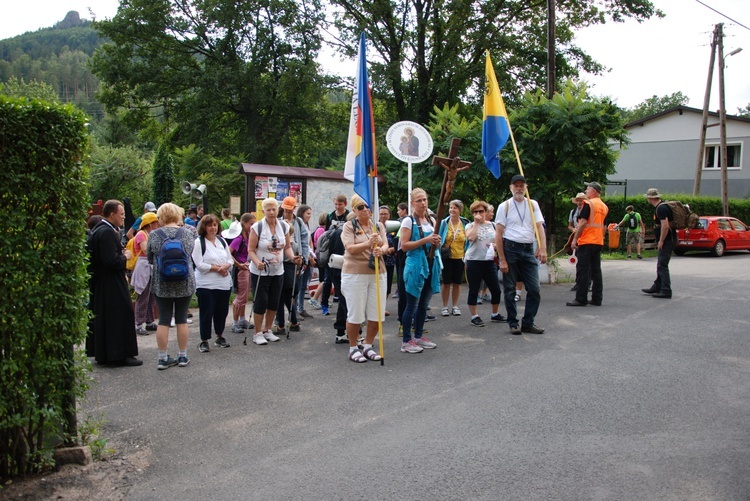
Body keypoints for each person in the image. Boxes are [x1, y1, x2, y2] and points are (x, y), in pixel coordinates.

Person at [86, 199, 143, 367]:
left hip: (103, 283)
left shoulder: (100, 230)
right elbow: (110, 261)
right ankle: (119, 354)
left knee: (107, 317)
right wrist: (124, 257)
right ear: (112, 214)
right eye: (122, 214)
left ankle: (107, 353)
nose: (123, 218)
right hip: (111, 283)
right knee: (118, 315)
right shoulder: (107, 232)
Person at [495, 175, 547, 335]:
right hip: (510, 248)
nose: (519, 188)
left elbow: (539, 227)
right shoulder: (504, 206)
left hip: (528, 249)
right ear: (511, 188)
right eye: (516, 185)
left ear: (526, 187)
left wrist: (543, 248)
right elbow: (498, 233)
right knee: (510, 289)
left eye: (521, 185)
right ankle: (513, 322)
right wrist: (502, 259)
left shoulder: (533, 204)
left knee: (534, 289)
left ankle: (528, 322)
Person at [340, 195, 388, 362]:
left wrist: (381, 250)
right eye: (360, 207)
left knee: (377, 313)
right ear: (354, 210)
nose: (365, 210)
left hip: (378, 272)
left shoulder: (378, 225)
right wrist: (368, 244)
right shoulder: (348, 226)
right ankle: (353, 347)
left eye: (367, 206)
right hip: (355, 273)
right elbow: (350, 248)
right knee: (356, 314)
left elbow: (386, 244)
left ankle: (368, 345)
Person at [148, 203, 196, 369]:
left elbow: (150, 258)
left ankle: (162, 358)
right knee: (182, 318)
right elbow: (189, 254)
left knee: (164, 319)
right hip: (184, 281)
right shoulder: (187, 233)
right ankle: (182, 356)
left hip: (162, 282)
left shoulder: (154, 235)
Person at [247, 197, 295, 345]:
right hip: (260, 272)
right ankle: (257, 333)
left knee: (274, 301)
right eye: (268, 210)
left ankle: (268, 330)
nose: (272, 212)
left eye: (274, 209)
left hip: (278, 270)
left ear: (277, 209)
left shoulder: (284, 227)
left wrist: (293, 258)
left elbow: (287, 247)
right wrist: (257, 262)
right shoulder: (257, 227)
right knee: (261, 301)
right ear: (263, 211)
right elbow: (251, 250)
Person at [400, 188, 441, 353]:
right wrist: (426, 239)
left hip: (431, 264)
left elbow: (435, 242)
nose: (423, 203)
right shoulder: (408, 221)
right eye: (419, 200)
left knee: (424, 304)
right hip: (416, 265)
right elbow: (404, 246)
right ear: (412, 203)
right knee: (412, 305)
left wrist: (436, 242)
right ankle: (406, 341)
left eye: (424, 199)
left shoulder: (431, 220)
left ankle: (418, 336)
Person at [192, 214, 234, 351]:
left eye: (215, 225)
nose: (213, 228)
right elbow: (199, 264)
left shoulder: (222, 241)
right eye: (210, 225)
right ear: (204, 227)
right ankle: (204, 340)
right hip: (206, 285)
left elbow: (230, 260)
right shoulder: (199, 242)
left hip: (223, 284)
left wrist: (226, 267)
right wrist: (217, 268)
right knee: (206, 312)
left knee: (221, 311)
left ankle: (219, 335)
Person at [567, 181, 609, 307]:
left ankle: (581, 298)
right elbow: (604, 226)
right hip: (598, 241)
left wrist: (575, 239)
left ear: (594, 191)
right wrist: (601, 237)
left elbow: (583, 222)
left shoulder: (588, 203)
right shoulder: (604, 206)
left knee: (583, 270)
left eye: (588, 189)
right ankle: (597, 298)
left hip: (586, 240)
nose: (586, 191)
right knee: (596, 270)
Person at [464, 200, 504, 326]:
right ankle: (474, 316)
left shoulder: (492, 225)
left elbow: (499, 241)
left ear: (486, 212)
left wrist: (494, 246)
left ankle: (495, 314)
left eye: (481, 211)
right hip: (473, 261)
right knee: (474, 289)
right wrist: (476, 223)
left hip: (489, 261)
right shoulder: (470, 225)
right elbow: (470, 238)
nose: (478, 214)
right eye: (475, 212)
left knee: (496, 289)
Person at [275, 197, 306, 334]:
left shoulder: (298, 223)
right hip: (292, 267)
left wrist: (302, 260)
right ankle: (293, 322)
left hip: (286, 266)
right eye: (285, 209)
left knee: (281, 298)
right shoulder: (279, 221)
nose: (287, 211)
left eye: (289, 209)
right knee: (287, 297)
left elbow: (305, 241)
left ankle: (281, 325)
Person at [642, 188, 675, 298]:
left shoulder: (661, 209)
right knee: (661, 264)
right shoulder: (662, 206)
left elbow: (665, 226)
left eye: (648, 197)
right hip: (670, 239)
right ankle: (657, 286)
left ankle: (666, 290)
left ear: (650, 198)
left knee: (662, 265)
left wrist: (661, 240)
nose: (647, 199)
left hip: (668, 240)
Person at [130, 211, 159, 335]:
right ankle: (138, 323)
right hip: (143, 266)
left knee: (151, 295)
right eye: (155, 222)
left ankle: (149, 321)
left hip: (149, 266)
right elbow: (146, 250)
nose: (158, 224)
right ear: (150, 223)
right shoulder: (141, 234)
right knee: (143, 295)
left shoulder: (150, 234)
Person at [438, 200, 467, 317]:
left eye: (455, 208)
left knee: (457, 283)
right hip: (447, 257)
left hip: (460, 257)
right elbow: (439, 238)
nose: (452, 210)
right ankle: (444, 306)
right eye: (450, 208)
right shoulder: (444, 223)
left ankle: (455, 306)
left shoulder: (465, 223)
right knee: (446, 283)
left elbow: (468, 240)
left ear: (460, 210)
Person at [226, 214, 255, 333]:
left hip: (247, 268)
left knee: (245, 295)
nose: (253, 226)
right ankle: (235, 322)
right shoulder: (239, 238)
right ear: (244, 223)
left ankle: (242, 319)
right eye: (251, 224)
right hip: (241, 270)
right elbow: (229, 253)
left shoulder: (248, 236)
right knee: (240, 297)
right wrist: (238, 265)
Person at [295, 204, 316, 319]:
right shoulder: (298, 224)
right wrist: (308, 257)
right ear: (302, 213)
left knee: (303, 286)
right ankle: (296, 310)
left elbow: (309, 241)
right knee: (298, 286)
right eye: (308, 213)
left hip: (308, 258)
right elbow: (302, 243)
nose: (309, 216)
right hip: (303, 258)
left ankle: (301, 308)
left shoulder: (306, 224)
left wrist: (312, 255)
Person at [379, 205, 398, 311]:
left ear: (389, 215)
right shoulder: (374, 226)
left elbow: (399, 243)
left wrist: (390, 249)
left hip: (389, 261)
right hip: (377, 260)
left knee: (387, 285)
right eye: (381, 213)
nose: (383, 216)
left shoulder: (394, 227)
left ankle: (383, 307)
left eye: (385, 214)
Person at [308, 213, 328, 309]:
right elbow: (322, 244)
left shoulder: (320, 229)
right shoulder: (321, 230)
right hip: (321, 257)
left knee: (323, 279)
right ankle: (315, 298)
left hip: (320, 256)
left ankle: (320, 300)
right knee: (324, 279)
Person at [568, 192, 587, 292]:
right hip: (577, 237)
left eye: (581, 200)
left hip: (586, 238)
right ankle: (578, 283)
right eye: (578, 200)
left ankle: (586, 283)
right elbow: (570, 225)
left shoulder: (588, 210)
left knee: (585, 262)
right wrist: (573, 230)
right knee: (578, 261)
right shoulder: (573, 211)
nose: (579, 202)